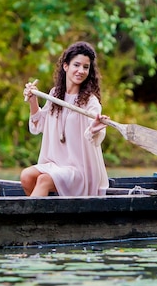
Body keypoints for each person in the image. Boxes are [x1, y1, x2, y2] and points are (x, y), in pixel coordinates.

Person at [21, 41, 110, 196]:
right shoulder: (55, 94)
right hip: (55, 164)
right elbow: (38, 126)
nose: (81, 70)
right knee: (26, 176)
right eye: (76, 65)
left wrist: (95, 129)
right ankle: (45, 216)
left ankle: (32, 220)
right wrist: (33, 100)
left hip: (80, 170)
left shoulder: (91, 101)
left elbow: (94, 134)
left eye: (85, 67)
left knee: (44, 180)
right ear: (66, 66)